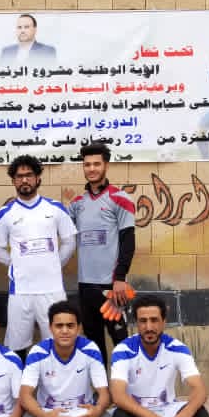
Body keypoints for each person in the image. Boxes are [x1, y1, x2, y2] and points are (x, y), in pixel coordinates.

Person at [0, 155, 77, 360]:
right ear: (13, 181)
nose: (24, 180)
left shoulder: (55, 209)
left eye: (29, 175)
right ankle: (19, 380)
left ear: (38, 178)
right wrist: (15, 264)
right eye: (19, 176)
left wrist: (55, 263)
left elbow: (69, 242)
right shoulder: (5, 213)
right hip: (20, 290)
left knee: (57, 343)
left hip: (52, 289)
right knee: (17, 345)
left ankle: (54, 380)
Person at [110, 295, 209, 417]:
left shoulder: (177, 348)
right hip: (137, 414)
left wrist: (186, 414)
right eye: (143, 321)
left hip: (167, 411)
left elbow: (200, 390)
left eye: (154, 320)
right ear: (136, 323)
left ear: (163, 322)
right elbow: (118, 396)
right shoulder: (123, 350)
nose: (149, 327)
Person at [69, 143, 136, 362]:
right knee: (94, 345)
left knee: (121, 342)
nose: (92, 169)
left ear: (106, 165)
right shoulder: (77, 203)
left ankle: (125, 384)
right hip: (85, 286)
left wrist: (120, 278)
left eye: (96, 164)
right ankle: (101, 384)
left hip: (111, 288)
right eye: (87, 164)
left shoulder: (120, 198)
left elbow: (128, 241)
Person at [20, 301, 112, 417]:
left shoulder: (90, 349)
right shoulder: (38, 352)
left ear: (79, 328)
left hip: (83, 415)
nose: (64, 331)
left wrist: (98, 409)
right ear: (50, 328)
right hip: (49, 415)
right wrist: (44, 416)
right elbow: (25, 395)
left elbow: (104, 393)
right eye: (59, 326)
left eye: (70, 325)